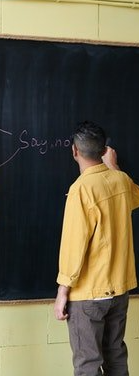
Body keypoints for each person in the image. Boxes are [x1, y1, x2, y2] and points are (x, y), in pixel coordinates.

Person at [54, 121, 139, 376]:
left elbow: (73, 245)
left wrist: (62, 291)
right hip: (119, 290)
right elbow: (135, 196)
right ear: (104, 151)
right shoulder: (121, 180)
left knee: (87, 364)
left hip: (88, 293)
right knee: (115, 355)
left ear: (74, 151)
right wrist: (113, 166)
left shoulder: (81, 190)